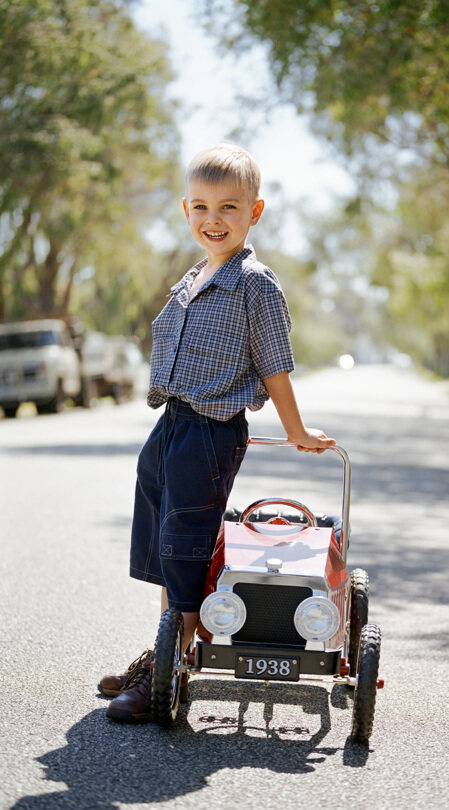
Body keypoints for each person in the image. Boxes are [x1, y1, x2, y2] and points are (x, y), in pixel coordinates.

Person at [99, 143, 336, 722]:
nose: (213, 218)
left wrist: (297, 429)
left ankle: (164, 682)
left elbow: (274, 363)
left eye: (228, 207)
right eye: (201, 206)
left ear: (255, 212)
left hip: (209, 430)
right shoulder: (193, 275)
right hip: (172, 424)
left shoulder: (256, 284)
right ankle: (164, 655)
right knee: (164, 546)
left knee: (185, 544)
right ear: (185, 210)